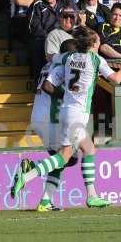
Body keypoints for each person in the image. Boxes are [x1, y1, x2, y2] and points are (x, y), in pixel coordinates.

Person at [12, 31, 121, 208]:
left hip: (64, 112)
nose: (100, 45)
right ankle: (29, 174)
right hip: (75, 114)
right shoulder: (96, 59)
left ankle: (89, 195)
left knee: (89, 149)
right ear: (93, 44)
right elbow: (116, 79)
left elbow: (53, 63)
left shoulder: (67, 58)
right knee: (64, 156)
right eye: (98, 42)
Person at [31, 38, 78, 211]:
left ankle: (45, 201)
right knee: (69, 157)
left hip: (38, 116)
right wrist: (67, 96)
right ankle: (30, 170)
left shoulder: (48, 64)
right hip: (49, 119)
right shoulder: (64, 64)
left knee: (61, 159)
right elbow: (47, 86)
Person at [27, 0, 77, 83]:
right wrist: (53, 35)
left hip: (66, 35)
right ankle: (39, 83)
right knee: (36, 44)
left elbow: (76, 18)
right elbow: (34, 29)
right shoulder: (37, 4)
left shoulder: (67, 1)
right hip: (44, 38)